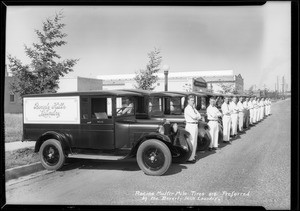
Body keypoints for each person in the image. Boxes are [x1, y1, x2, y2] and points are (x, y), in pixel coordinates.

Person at [184, 95, 201, 163]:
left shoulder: (193, 108)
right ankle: (190, 158)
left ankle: (193, 156)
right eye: (191, 100)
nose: (193, 102)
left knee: (194, 142)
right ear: (188, 101)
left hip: (195, 125)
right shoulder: (188, 108)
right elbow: (194, 116)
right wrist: (197, 116)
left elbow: (199, 116)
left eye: (193, 100)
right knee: (191, 142)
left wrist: (196, 113)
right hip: (190, 125)